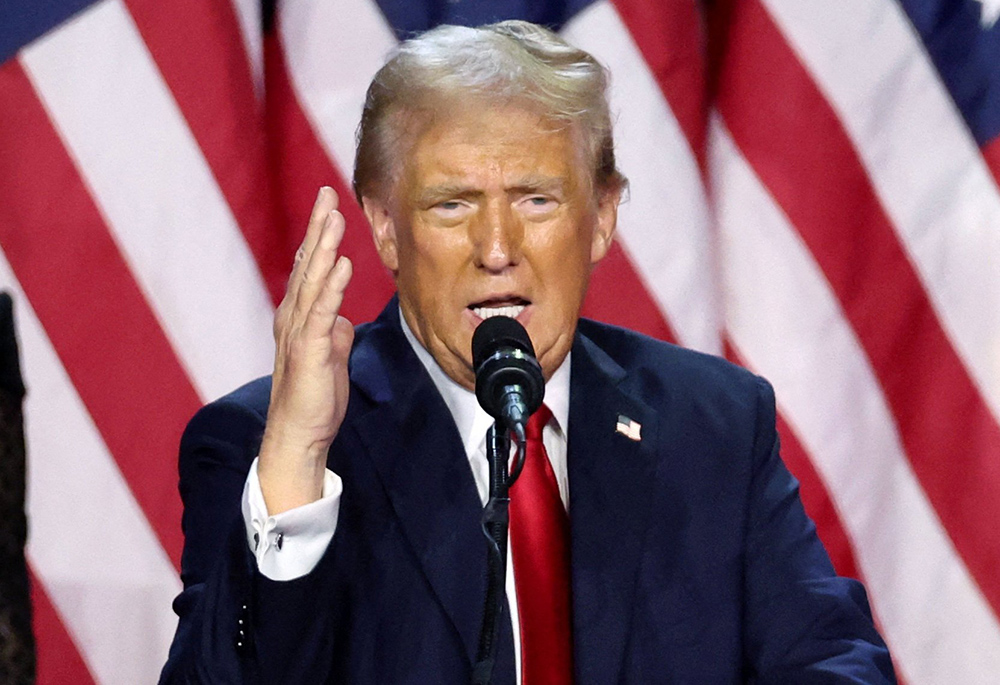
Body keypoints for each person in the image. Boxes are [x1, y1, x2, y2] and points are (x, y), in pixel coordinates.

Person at [160, 20, 895, 684]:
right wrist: (295, 459)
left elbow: (836, 663)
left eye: (536, 199)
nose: (498, 249)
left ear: (603, 216)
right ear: (385, 228)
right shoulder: (266, 447)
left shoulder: (716, 424)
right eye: (452, 203)